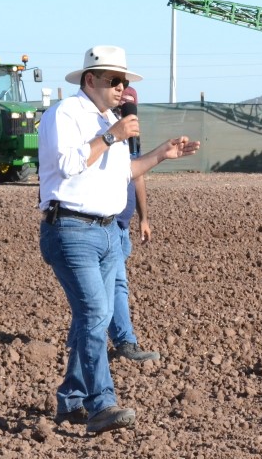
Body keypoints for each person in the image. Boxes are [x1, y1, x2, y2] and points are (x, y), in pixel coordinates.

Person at [38, 45, 200, 435]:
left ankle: (71, 400)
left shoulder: (111, 121)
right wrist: (111, 135)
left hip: (110, 231)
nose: (122, 88)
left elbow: (122, 173)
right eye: (115, 81)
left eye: (124, 81)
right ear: (90, 80)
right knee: (95, 314)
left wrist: (161, 154)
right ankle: (101, 406)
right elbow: (68, 163)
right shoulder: (65, 115)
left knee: (91, 318)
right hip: (71, 229)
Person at [108, 86, 159, 363]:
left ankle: (85, 341)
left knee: (110, 287)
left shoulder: (130, 137)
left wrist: (144, 218)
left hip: (122, 225)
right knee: (116, 285)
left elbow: (136, 174)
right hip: (106, 222)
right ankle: (125, 342)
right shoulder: (105, 130)